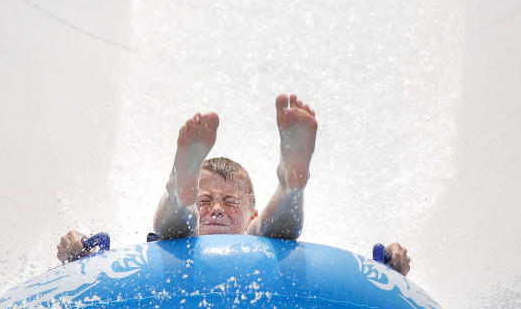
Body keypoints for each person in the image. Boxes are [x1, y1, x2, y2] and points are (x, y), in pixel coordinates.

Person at [56, 93, 411, 275]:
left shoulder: (260, 237)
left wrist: (388, 268)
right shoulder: (162, 251)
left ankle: (290, 185)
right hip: (173, 248)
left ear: (252, 212)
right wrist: (79, 255)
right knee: (173, 235)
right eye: (204, 199)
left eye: (230, 201)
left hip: (262, 251)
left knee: (267, 239)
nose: (215, 210)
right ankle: (178, 186)